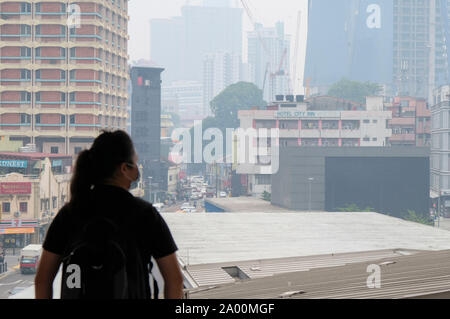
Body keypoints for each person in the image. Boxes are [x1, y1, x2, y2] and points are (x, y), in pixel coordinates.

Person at [35, 130, 184, 299]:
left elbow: (43, 280)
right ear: (124, 169)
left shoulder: (69, 214)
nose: (137, 168)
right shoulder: (145, 214)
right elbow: (174, 279)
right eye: (135, 162)